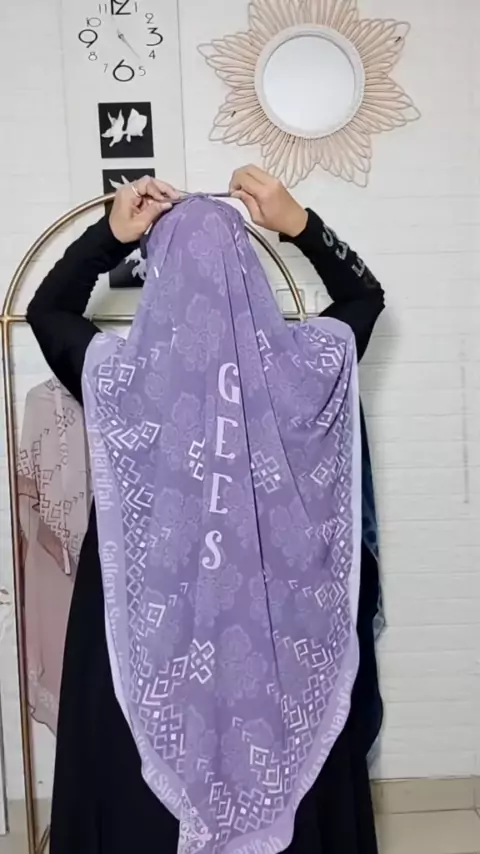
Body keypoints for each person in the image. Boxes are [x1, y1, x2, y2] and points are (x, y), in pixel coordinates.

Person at [27, 165, 384, 854]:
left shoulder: (118, 378)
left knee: (133, 775)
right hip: (275, 643)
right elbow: (365, 296)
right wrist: (298, 223)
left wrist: (108, 236)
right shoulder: (306, 368)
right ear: (250, 274)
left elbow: (48, 311)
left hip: (148, 632)